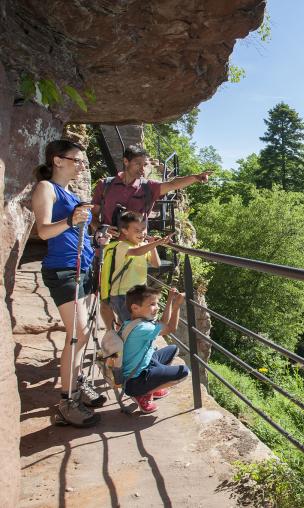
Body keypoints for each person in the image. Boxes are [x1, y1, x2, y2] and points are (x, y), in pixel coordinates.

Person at [91, 144, 211, 329]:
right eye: (138, 163)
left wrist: (195, 178)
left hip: (137, 250)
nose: (142, 168)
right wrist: (102, 228)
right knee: (106, 296)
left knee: (133, 296)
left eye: (145, 164)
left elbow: (172, 184)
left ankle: (127, 335)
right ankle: (111, 334)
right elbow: (94, 216)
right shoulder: (105, 185)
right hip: (109, 249)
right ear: (126, 161)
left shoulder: (149, 188)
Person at [31, 139, 107, 428]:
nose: (81, 165)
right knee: (77, 332)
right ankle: (67, 401)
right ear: (58, 160)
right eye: (76, 160)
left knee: (85, 332)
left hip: (82, 267)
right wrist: (73, 220)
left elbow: (77, 232)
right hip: (63, 270)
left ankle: (77, 384)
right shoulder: (46, 189)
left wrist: (96, 238)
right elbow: (44, 231)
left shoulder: (70, 192)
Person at [121, 285, 189, 414]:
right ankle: (143, 393)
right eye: (152, 304)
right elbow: (170, 328)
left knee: (173, 349)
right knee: (184, 372)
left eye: (157, 303)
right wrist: (177, 305)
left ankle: (152, 385)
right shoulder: (142, 328)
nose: (157, 307)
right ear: (135, 307)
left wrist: (170, 299)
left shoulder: (133, 321)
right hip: (135, 381)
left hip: (141, 367)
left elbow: (163, 323)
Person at [101, 211, 174, 324]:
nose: (142, 233)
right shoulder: (121, 246)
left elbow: (156, 264)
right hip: (122, 295)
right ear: (125, 231)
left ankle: (124, 338)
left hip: (139, 294)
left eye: (143, 229)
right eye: (137, 230)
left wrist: (152, 244)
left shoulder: (144, 246)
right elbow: (136, 252)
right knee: (130, 326)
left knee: (131, 326)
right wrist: (158, 243)